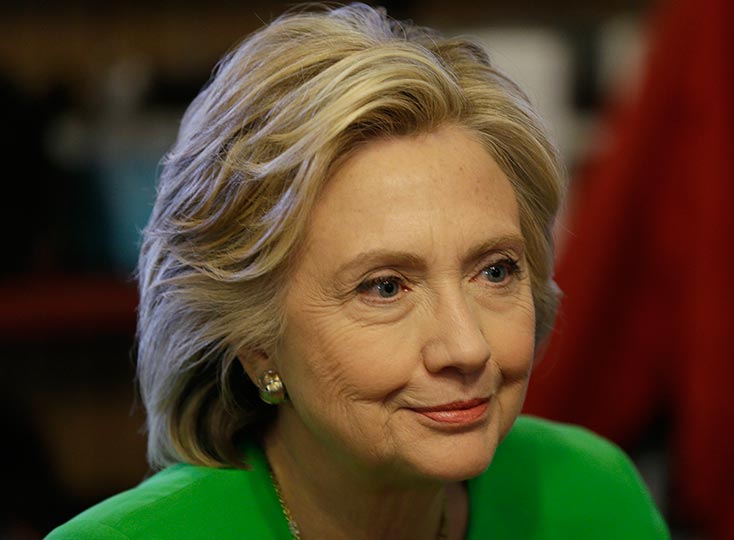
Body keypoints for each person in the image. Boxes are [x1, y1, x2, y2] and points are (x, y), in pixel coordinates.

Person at [47, 4, 668, 539]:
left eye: (496, 271)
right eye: (386, 287)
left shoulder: (592, 496)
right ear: (256, 346)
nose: (467, 346)